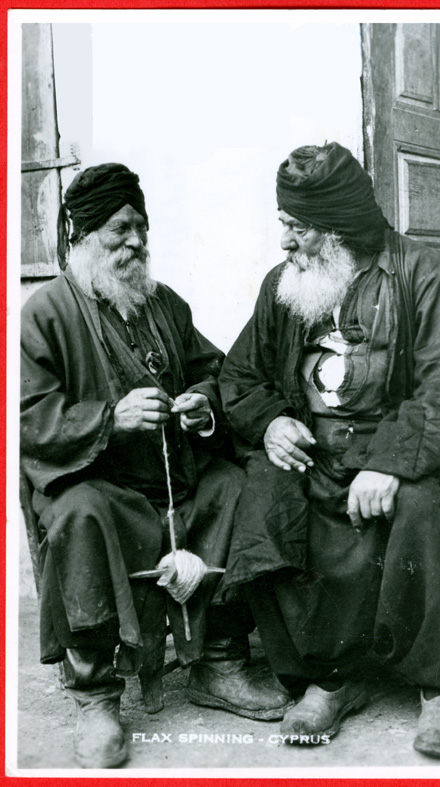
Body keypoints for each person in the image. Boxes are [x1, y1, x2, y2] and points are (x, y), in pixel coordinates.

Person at [219, 142, 440, 760]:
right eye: (282, 224)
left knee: (418, 505)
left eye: (296, 228)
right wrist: (270, 424)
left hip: (392, 453)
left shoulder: (420, 272)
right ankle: (331, 677)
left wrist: (389, 461)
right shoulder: (282, 285)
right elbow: (241, 376)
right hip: (313, 454)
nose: (284, 242)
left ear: (335, 230)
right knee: (262, 497)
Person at [20, 163, 291, 769]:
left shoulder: (163, 302)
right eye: (120, 229)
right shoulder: (44, 314)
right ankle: (96, 695)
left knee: (238, 486)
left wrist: (203, 406)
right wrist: (109, 419)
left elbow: (214, 371)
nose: (136, 243)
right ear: (83, 236)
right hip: (98, 483)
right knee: (79, 514)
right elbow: (30, 419)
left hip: (175, 478)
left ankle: (219, 662)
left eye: (141, 229)